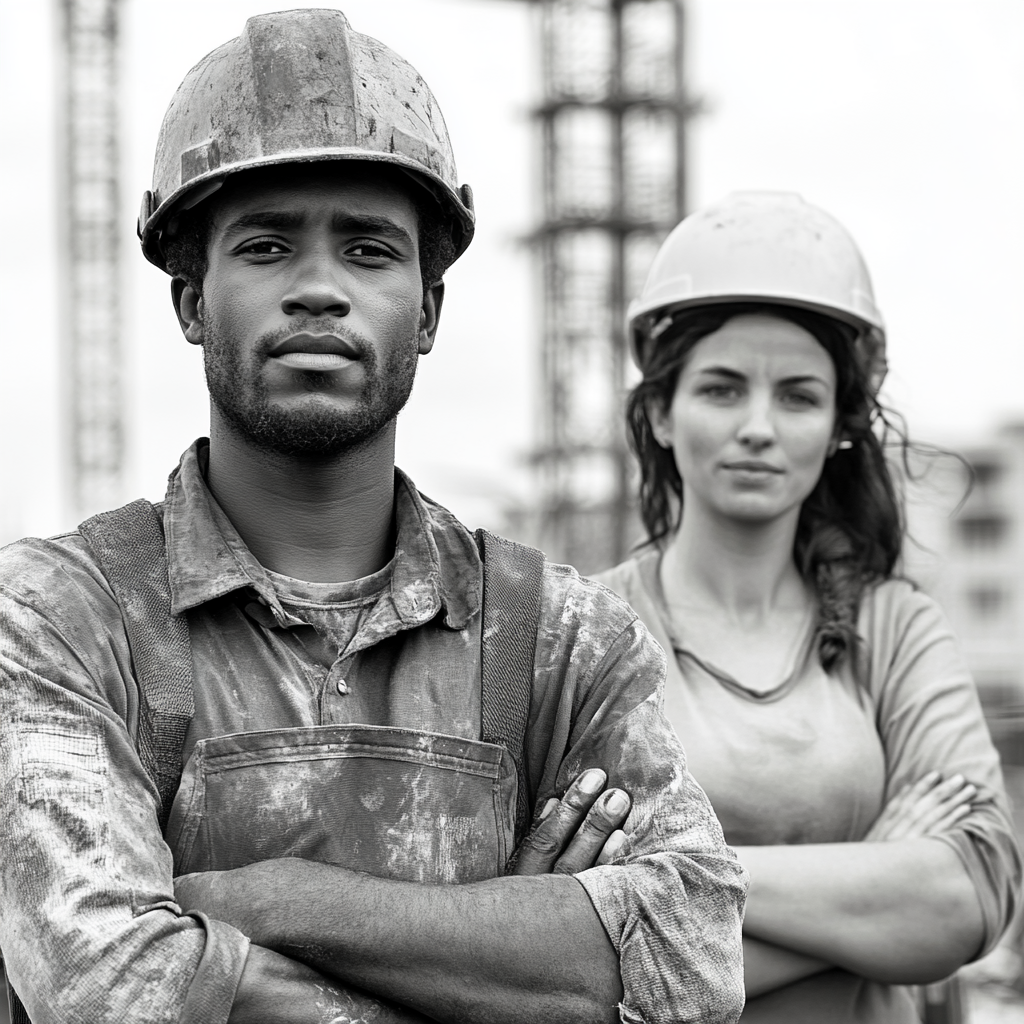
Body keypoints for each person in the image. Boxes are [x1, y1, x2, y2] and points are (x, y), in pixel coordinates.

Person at [0, 10, 747, 1024]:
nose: (318, 290)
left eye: (367, 249)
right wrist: (505, 946)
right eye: (266, 246)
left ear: (428, 309)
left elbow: (694, 965)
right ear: (189, 300)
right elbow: (112, 986)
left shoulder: (559, 639)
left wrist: (273, 902)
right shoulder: (62, 618)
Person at [593, 191, 1022, 1023]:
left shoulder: (893, 628)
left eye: (797, 395)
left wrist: (660, 887)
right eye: (721, 390)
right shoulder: (590, 635)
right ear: (660, 414)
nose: (759, 425)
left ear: (837, 429)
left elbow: (970, 892)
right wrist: (876, 871)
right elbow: (570, 951)